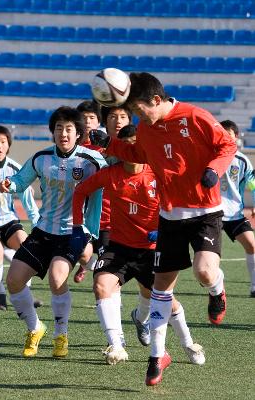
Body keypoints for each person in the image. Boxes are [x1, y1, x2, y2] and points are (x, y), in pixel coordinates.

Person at [90, 72, 237, 386]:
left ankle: (217, 290)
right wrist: (109, 144)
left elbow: (227, 145)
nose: (140, 118)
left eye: (141, 111)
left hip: (204, 212)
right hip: (170, 217)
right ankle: (158, 355)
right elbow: (135, 154)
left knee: (204, 272)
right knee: (161, 289)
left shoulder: (195, 116)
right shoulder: (147, 129)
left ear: (156, 100)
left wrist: (214, 170)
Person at [73, 124, 205, 367]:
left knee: (165, 300)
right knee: (101, 285)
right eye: (129, 145)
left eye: (138, 145)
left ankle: (188, 343)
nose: (133, 149)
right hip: (119, 247)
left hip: (151, 251)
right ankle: (116, 345)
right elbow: (80, 192)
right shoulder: (111, 173)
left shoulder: (157, 173)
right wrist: (78, 227)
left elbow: (177, 203)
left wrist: (163, 230)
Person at [0, 106, 107, 358]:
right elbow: (21, 180)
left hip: (74, 232)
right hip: (43, 230)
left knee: (57, 279)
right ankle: (35, 328)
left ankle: (61, 334)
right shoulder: (41, 158)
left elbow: (115, 173)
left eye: (69, 128)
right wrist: (9, 184)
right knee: (14, 280)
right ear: (53, 132)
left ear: (79, 133)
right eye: (59, 128)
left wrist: (92, 232)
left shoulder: (91, 162)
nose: (64, 133)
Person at [74, 104, 132, 283]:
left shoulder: (136, 147)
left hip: (123, 218)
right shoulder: (88, 149)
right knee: (86, 255)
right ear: (105, 122)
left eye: (123, 116)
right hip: (95, 216)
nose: (118, 121)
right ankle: (89, 265)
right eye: (114, 116)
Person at [0, 125, 41, 311]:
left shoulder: (16, 169)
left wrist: (37, 225)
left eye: (2, 142)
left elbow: (28, 201)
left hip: (8, 220)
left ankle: (24, 294)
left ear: (8, 145)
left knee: (26, 246)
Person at [220, 120, 255, 297]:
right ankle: (216, 287)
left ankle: (254, 286)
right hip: (212, 213)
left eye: (229, 133)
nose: (225, 136)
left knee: (252, 245)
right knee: (211, 256)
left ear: (236, 136)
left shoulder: (242, 160)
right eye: (221, 132)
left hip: (235, 213)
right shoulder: (209, 156)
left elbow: (252, 183)